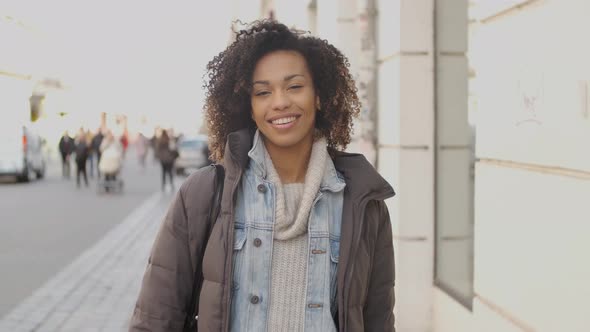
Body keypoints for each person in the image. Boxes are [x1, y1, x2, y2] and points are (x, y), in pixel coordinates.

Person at [130, 20, 396, 332]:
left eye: (295, 86)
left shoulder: (364, 203)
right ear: (250, 106)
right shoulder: (204, 193)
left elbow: (378, 321)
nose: (280, 101)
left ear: (319, 96)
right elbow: (156, 318)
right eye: (263, 92)